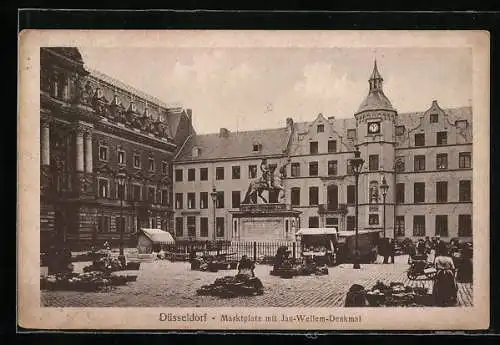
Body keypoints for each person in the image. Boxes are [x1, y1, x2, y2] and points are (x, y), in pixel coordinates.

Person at [433, 241, 458, 307]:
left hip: (440, 273)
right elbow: (453, 267)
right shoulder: (449, 258)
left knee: (437, 284)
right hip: (449, 273)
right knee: (452, 284)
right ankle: (451, 297)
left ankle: (439, 298)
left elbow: (435, 267)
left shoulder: (437, 258)